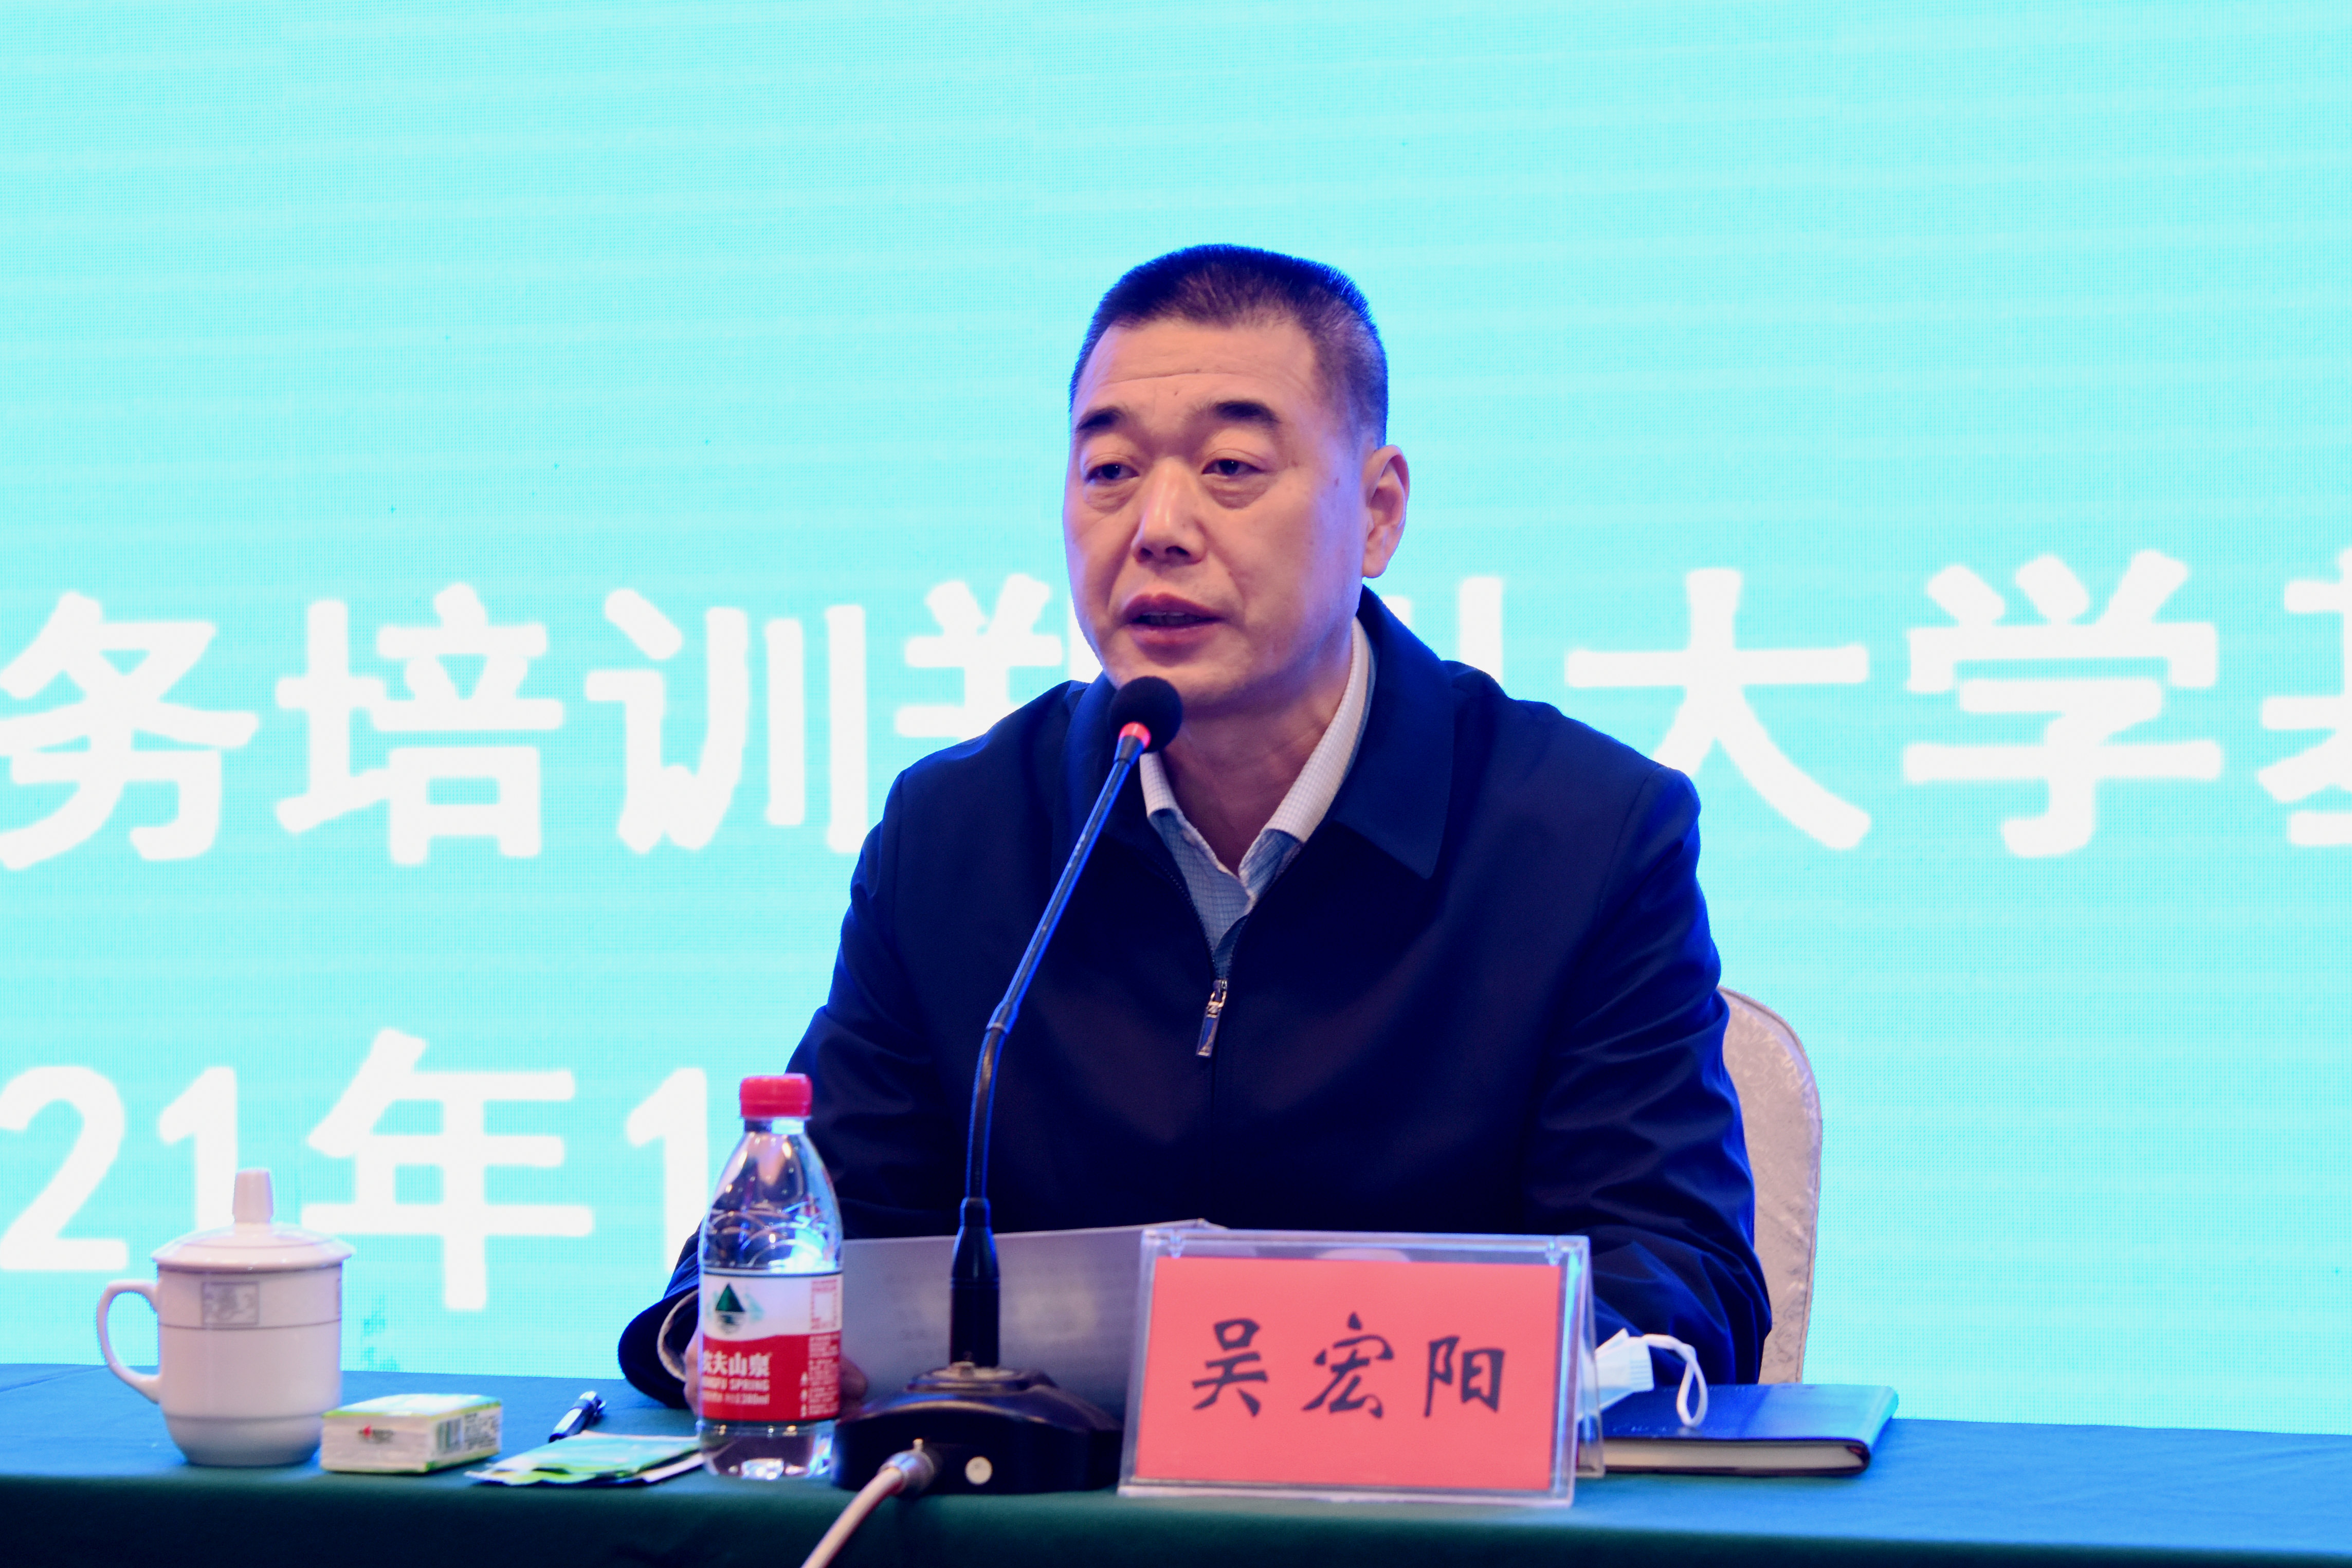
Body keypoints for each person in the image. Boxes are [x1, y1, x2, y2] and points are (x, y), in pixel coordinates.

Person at [621, 245, 1768, 1408]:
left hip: (1427, 1497)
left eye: (1230, 468)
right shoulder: (956, 834)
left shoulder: (1583, 835)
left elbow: (1675, 1273)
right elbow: (800, 1237)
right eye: (1109, 471)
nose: (1157, 527)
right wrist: (732, 1334)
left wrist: (1384, 1374)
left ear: (1377, 515)